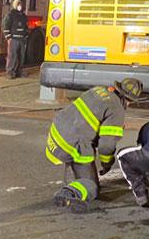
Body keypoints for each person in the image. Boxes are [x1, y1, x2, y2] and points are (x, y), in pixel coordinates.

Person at [47, 77, 144, 213]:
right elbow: (106, 146)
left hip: (57, 133)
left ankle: (74, 183)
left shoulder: (98, 90)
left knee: (82, 165)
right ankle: (68, 193)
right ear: (129, 100)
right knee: (92, 187)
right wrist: (107, 164)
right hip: (73, 145)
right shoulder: (116, 109)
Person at [2, 0, 30, 79]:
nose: (20, 6)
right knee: (12, 56)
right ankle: (10, 72)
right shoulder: (10, 15)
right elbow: (5, 26)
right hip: (13, 39)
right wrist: (8, 37)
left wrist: (26, 35)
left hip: (22, 40)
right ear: (15, 5)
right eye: (18, 5)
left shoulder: (23, 16)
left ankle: (19, 72)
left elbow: (26, 27)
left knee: (21, 56)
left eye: (20, 5)